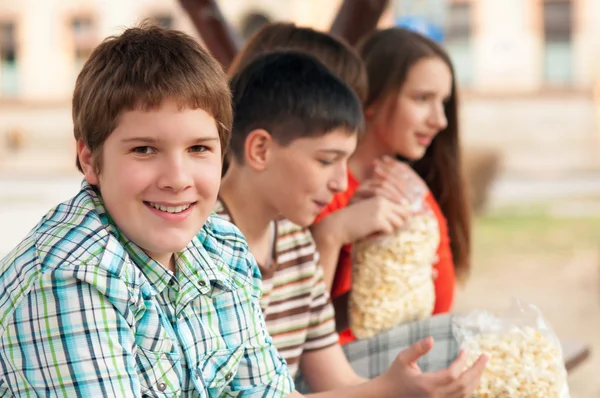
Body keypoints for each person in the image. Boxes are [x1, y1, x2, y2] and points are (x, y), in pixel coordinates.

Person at [0, 23, 295, 396]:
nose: (177, 179)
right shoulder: (68, 278)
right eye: (144, 149)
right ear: (90, 160)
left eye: (198, 149)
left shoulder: (224, 249)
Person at [218, 49, 486, 397]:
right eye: (327, 160)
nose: (341, 183)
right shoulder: (203, 246)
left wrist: (418, 388)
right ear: (260, 150)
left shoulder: (296, 243)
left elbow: (339, 382)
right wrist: (389, 391)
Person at [312, 27, 471, 377]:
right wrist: (337, 235)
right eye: (421, 98)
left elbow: (439, 307)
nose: (440, 120)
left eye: (442, 103)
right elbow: (302, 331)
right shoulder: (319, 192)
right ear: (373, 99)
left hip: (415, 362)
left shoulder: (417, 194)